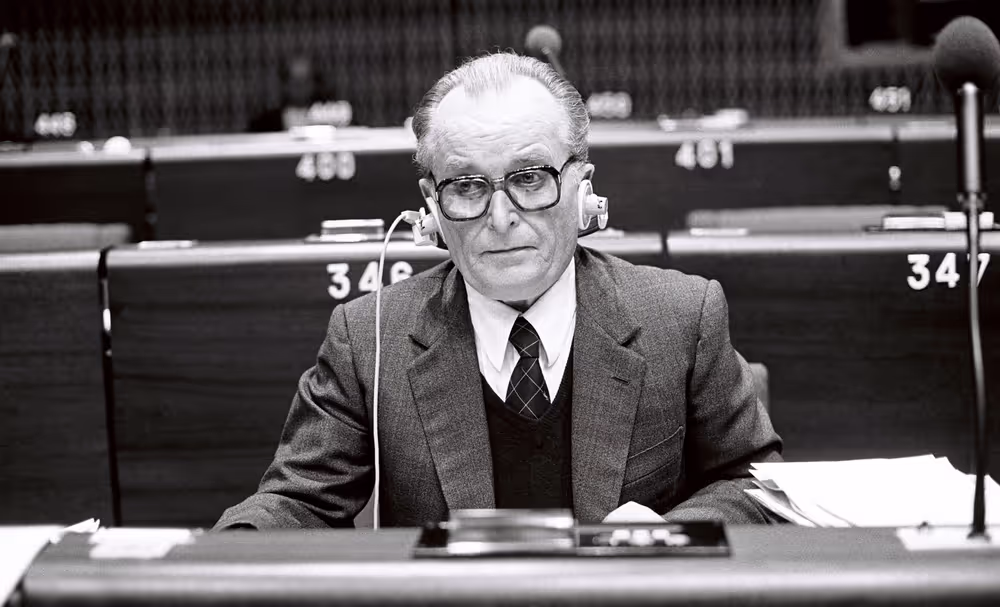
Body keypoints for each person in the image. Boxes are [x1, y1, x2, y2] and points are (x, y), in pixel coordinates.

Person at [216, 53, 782, 529]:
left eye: (530, 178)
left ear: (582, 188)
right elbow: (296, 503)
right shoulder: (370, 339)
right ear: (432, 207)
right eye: (467, 187)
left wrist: (659, 540)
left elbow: (753, 487)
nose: (502, 217)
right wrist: (224, 553)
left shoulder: (682, 317)